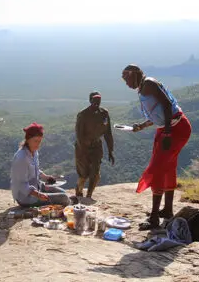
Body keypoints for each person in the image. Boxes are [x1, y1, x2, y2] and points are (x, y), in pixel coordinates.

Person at [121, 64, 192, 230]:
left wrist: (167, 133)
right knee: (167, 167)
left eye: (127, 79)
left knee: (157, 168)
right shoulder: (143, 87)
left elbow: (167, 106)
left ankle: (154, 218)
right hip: (168, 128)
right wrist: (142, 126)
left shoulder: (150, 84)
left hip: (176, 128)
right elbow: (158, 113)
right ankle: (167, 210)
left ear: (135, 75)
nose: (126, 84)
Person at [11, 122, 70, 207]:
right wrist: (38, 195)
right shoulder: (21, 158)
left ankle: (68, 201)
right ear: (28, 139)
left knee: (63, 192)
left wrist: (46, 177)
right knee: (63, 198)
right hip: (26, 197)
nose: (38, 144)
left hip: (37, 186)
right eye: (35, 141)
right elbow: (21, 184)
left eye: (39, 141)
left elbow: (36, 170)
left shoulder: (34, 152)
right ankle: (69, 203)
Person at [74, 92, 115, 199]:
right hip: (83, 147)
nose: (97, 102)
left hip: (96, 146)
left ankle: (89, 196)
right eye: (95, 99)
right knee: (84, 175)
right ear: (90, 100)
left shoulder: (104, 113)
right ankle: (78, 192)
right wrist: (83, 151)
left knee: (95, 174)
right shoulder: (83, 115)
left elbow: (108, 133)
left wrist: (110, 150)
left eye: (99, 99)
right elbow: (79, 135)